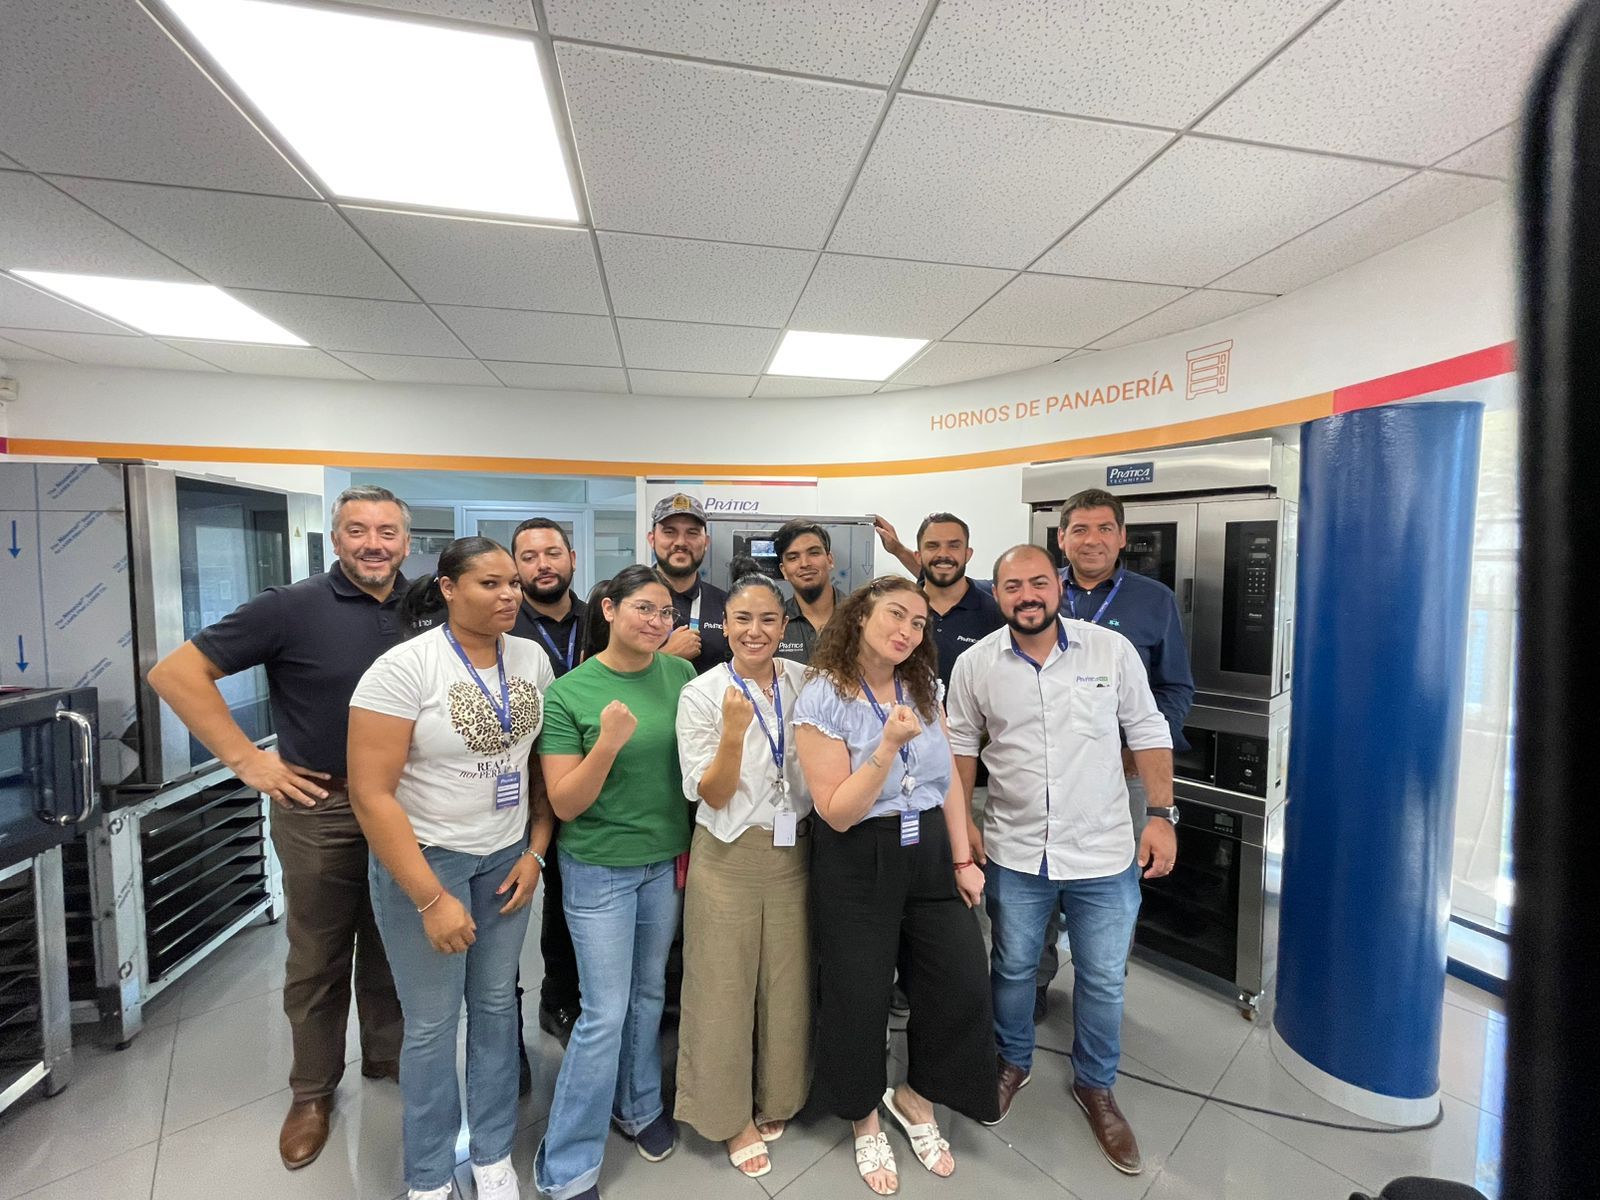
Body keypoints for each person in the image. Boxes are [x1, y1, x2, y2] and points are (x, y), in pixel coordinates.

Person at [146, 486, 410, 1171]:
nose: (373, 544)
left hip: (410, 807)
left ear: (407, 543)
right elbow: (176, 673)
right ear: (336, 537)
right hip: (318, 804)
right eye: (358, 530)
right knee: (319, 953)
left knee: (395, 941)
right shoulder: (290, 606)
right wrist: (245, 759)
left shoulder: (428, 606)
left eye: (387, 532)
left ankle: (388, 1055)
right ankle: (313, 1091)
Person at [946, 544, 1177, 1175]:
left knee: (1102, 978)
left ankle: (1096, 1085)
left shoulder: (1110, 651)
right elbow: (960, 743)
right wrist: (963, 820)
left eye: (1039, 582)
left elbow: (1149, 730)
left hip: (1104, 849)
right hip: (1017, 848)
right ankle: (1011, 1060)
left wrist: (1161, 815)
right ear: (998, 594)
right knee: (1015, 966)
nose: (1028, 594)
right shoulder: (976, 663)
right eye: (1013, 584)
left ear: (1058, 586)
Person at [348, 537, 555, 1200]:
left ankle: (493, 1154)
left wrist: (534, 851)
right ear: (446, 587)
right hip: (427, 860)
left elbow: (538, 769)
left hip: (504, 858)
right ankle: (430, 1174)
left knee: (496, 1008)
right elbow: (371, 795)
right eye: (489, 584)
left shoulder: (530, 658)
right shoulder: (404, 669)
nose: (508, 596)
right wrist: (430, 898)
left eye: (513, 585)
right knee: (433, 1026)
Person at [793, 576, 998, 1196]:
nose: (907, 630)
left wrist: (963, 860)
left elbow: (951, 786)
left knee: (959, 976)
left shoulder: (922, 687)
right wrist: (885, 746)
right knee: (858, 990)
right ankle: (862, 1116)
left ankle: (916, 1094)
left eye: (917, 622)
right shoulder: (822, 696)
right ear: (860, 616)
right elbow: (836, 811)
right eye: (895, 614)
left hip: (930, 846)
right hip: (858, 852)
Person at [534, 565, 697, 1200]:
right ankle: (567, 1163)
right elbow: (566, 803)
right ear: (608, 609)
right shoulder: (570, 693)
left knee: (650, 995)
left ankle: (639, 1106)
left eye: (665, 613)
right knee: (605, 1010)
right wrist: (606, 744)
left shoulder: (680, 675)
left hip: (666, 862)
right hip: (598, 867)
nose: (657, 622)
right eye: (643, 609)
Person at [674, 574, 813, 1179]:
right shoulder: (701, 694)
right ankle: (728, 1115)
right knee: (722, 985)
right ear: (723, 626)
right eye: (741, 620)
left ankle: (778, 1094)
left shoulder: (806, 683)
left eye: (767, 620)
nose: (754, 632)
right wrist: (733, 732)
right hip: (727, 852)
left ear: (785, 628)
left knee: (788, 981)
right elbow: (711, 790)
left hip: (797, 851)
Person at [1036, 488, 1193, 1015]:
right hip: (1043, 771)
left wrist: (1136, 746)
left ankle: (1099, 993)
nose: (1092, 540)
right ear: (1062, 538)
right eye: (1079, 529)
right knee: (1035, 884)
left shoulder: (1154, 600)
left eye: (1105, 528)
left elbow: (1175, 689)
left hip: (1121, 776)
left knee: (1111, 890)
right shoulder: (1036, 592)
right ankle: (1033, 986)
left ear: (1123, 537)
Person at [510, 517, 587, 1049]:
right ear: (516, 566)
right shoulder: (500, 625)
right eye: (530, 556)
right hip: (517, 787)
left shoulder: (604, 618)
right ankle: (510, 1025)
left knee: (571, 897)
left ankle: (564, 997)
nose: (544, 564)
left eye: (553, 553)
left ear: (572, 559)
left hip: (590, 780)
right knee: (509, 905)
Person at [648, 492, 730, 674]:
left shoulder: (726, 605)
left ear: (706, 542)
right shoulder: (626, 601)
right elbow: (610, 673)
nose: (680, 542)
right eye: (670, 532)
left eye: (692, 533)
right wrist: (665, 656)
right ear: (651, 539)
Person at [773, 519, 842, 665]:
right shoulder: (774, 624)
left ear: (829, 560)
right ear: (783, 570)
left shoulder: (861, 615)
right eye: (793, 557)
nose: (804, 563)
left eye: (814, 553)